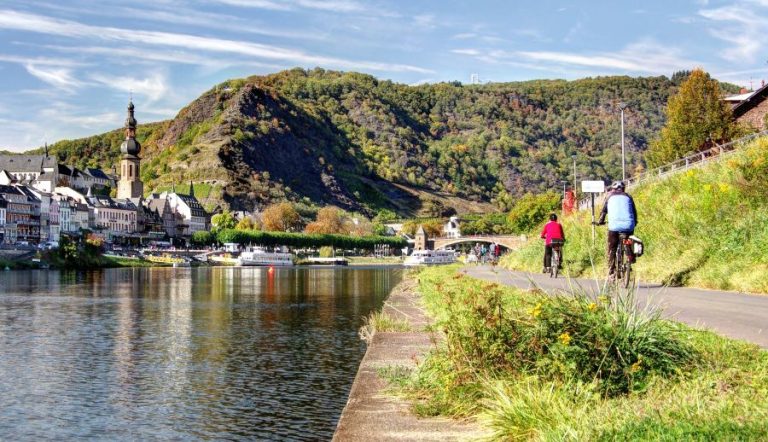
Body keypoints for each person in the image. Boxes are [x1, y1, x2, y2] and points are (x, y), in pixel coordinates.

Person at [596, 181, 638, 276]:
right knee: (628, 239)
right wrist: (634, 222)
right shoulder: (628, 197)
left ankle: (611, 271)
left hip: (614, 227)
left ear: (613, 189)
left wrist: (600, 222)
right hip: (628, 225)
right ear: (624, 189)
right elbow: (634, 212)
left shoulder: (609, 197)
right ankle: (630, 255)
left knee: (612, 247)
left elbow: (603, 212)